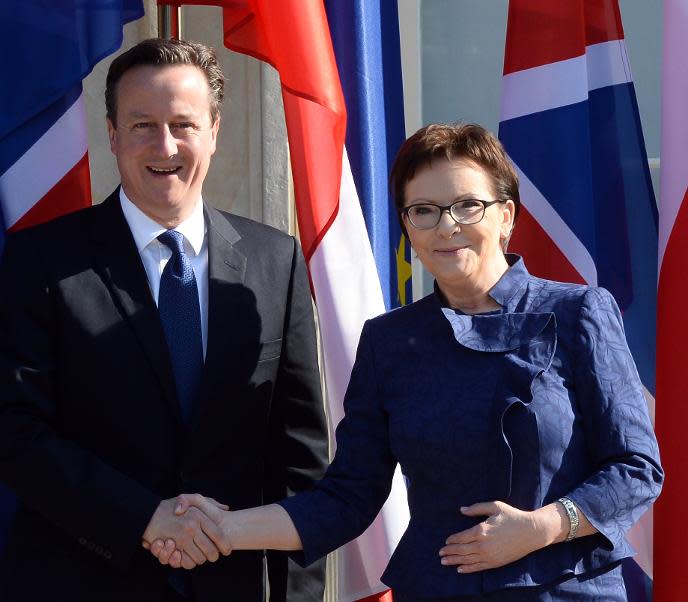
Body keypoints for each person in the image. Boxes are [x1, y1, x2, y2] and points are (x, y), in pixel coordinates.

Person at [150, 123, 663, 601]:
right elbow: (347, 497)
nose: (447, 226)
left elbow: (637, 469)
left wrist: (544, 526)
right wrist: (222, 528)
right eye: (425, 210)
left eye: (468, 205)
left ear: (506, 216)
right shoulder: (388, 342)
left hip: (566, 590)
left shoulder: (577, 312)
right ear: (408, 228)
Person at [0, 38, 328, 602]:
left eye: (183, 124)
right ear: (112, 135)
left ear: (214, 132)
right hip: (79, 582)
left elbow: (299, 460)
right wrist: (145, 517)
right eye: (142, 125)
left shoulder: (274, 260)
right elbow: (10, 432)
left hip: (229, 587)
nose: (164, 145)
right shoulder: (42, 261)